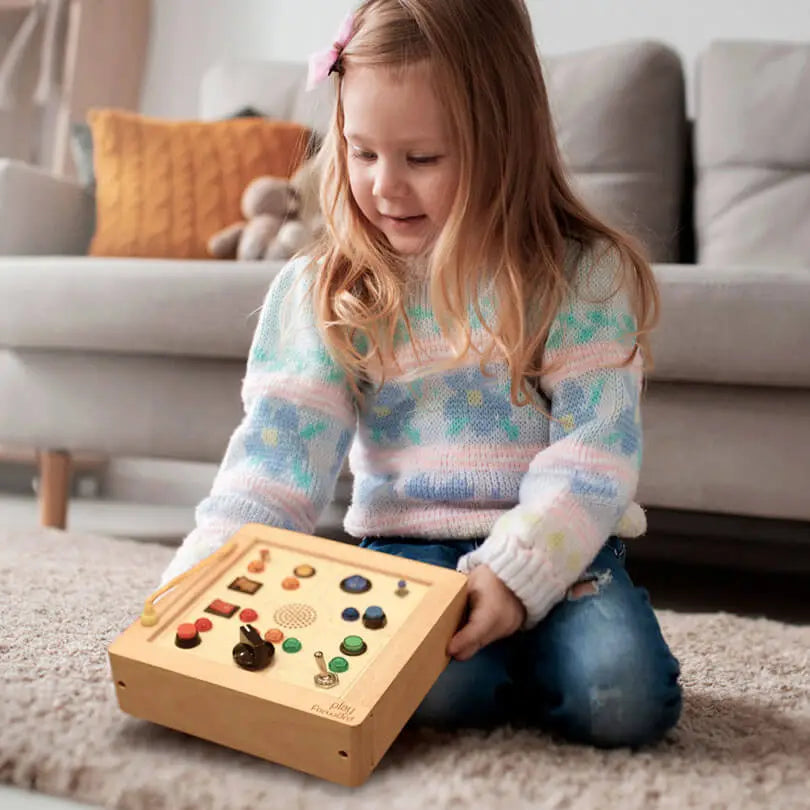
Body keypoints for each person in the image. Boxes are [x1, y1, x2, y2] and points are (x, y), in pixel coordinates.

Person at [161, 0, 681, 748]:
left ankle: (534, 642)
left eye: (423, 158)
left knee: (621, 700)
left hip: (559, 549)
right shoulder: (328, 288)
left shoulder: (580, 277)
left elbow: (597, 450)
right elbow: (275, 458)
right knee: (427, 691)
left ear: (506, 142)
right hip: (408, 554)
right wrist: (199, 578)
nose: (384, 187)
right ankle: (512, 664)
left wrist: (515, 576)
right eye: (361, 152)